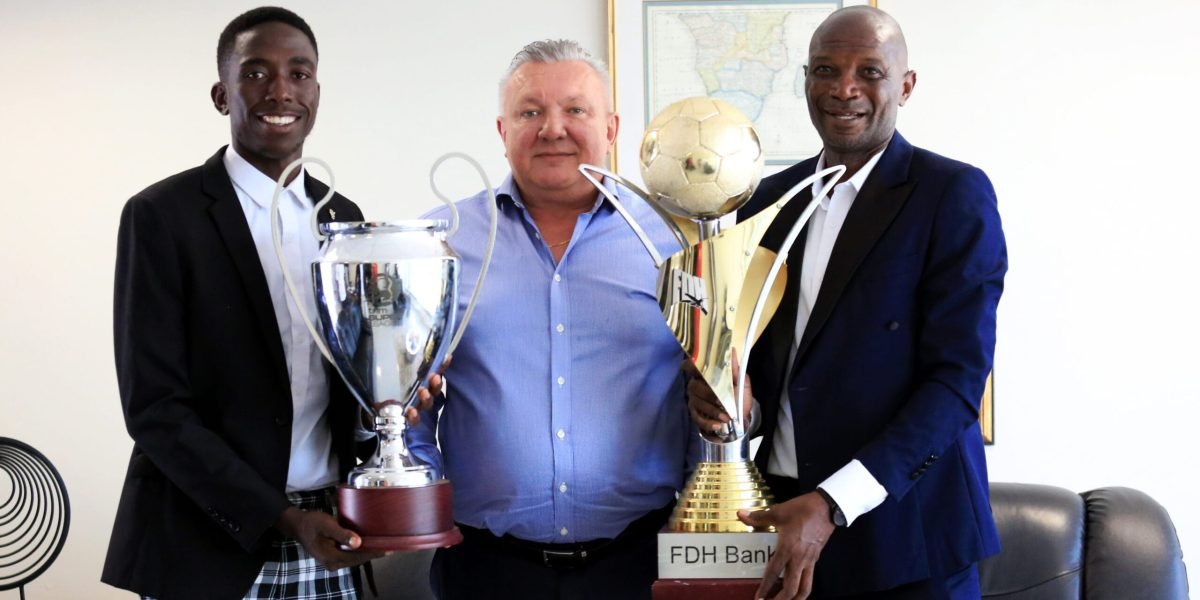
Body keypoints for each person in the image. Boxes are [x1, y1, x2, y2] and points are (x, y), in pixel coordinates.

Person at [102, 7, 425, 599]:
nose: (281, 90)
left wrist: (395, 397)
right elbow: (154, 408)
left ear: (317, 93)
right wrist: (281, 516)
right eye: (256, 73)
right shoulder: (160, 217)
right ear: (222, 95)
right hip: (207, 545)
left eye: (299, 73)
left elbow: (347, 381)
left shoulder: (344, 219)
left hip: (330, 533)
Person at [688, 6, 1007, 599]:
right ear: (805, 81)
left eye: (869, 71)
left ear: (906, 86)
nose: (844, 89)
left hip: (907, 539)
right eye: (826, 70)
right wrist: (733, 406)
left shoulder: (951, 194)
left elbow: (957, 381)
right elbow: (767, 371)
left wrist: (834, 503)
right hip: (781, 523)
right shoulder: (768, 200)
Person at [410, 39, 696, 599]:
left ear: (611, 129)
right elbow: (408, 399)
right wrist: (417, 502)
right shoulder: (437, 242)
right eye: (531, 112)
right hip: (485, 567)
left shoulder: (674, 241)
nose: (553, 128)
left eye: (575, 110)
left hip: (641, 564)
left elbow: (706, 389)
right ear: (502, 129)